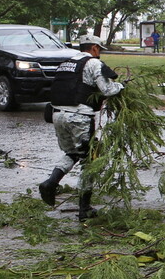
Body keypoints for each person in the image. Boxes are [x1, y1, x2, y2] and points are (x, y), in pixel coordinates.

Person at [38, 34, 124, 220]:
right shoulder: (93, 64)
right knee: (89, 161)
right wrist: (121, 86)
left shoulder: (66, 63)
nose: (99, 53)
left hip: (57, 115)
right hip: (79, 117)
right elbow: (108, 90)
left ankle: (51, 183)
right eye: (99, 50)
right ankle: (84, 208)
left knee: (73, 153)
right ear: (94, 48)